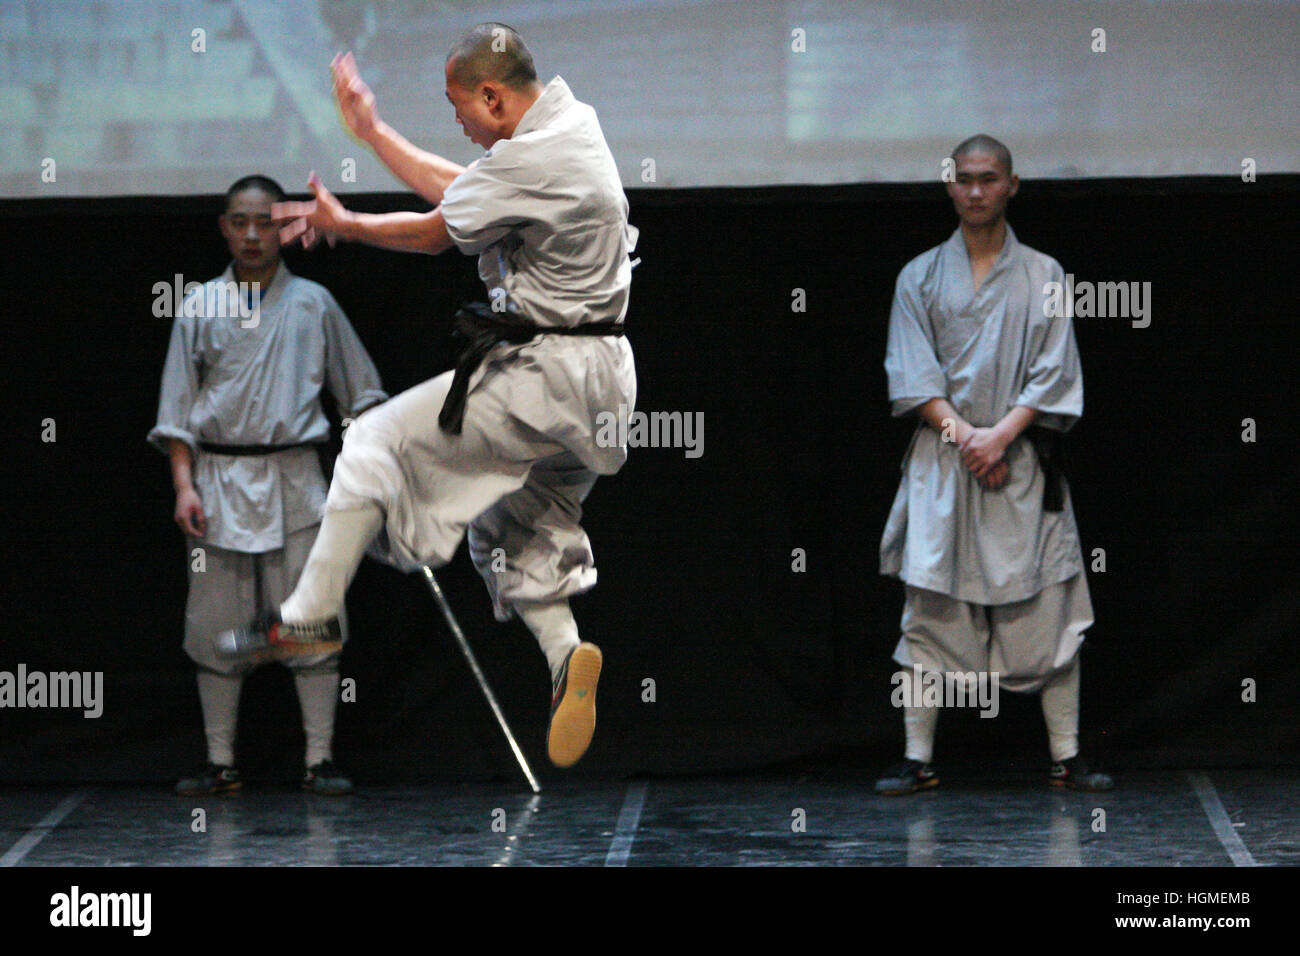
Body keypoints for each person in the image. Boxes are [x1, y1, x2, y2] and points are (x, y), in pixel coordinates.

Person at [220, 23, 639, 769]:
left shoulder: (541, 154)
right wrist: (374, 133)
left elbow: (435, 232)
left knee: (374, 441)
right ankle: (565, 653)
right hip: (601, 386)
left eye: (458, 109)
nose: (458, 123)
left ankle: (310, 615)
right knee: (510, 527)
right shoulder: (570, 128)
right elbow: (465, 194)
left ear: (491, 94)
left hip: (548, 377)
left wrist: (346, 226)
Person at [875, 135, 1112, 795]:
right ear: (949, 186)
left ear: (1012, 184)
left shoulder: (1045, 275)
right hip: (946, 463)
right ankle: (917, 760)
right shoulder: (919, 276)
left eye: (989, 178)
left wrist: (999, 438)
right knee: (929, 610)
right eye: (965, 179)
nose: (976, 191)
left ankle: (1066, 756)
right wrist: (966, 439)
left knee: (1048, 607)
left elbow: (1054, 371)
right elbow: (911, 372)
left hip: (1018, 462)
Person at [150, 175, 387, 796]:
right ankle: (221, 761)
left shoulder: (313, 304)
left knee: (309, 620)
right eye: (240, 222)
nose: (253, 235)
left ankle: (319, 760)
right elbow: (177, 410)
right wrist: (184, 486)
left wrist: (371, 461)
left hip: (295, 477)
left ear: (285, 227)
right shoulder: (199, 305)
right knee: (215, 624)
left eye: (266, 222)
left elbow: (361, 394)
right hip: (219, 479)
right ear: (225, 227)